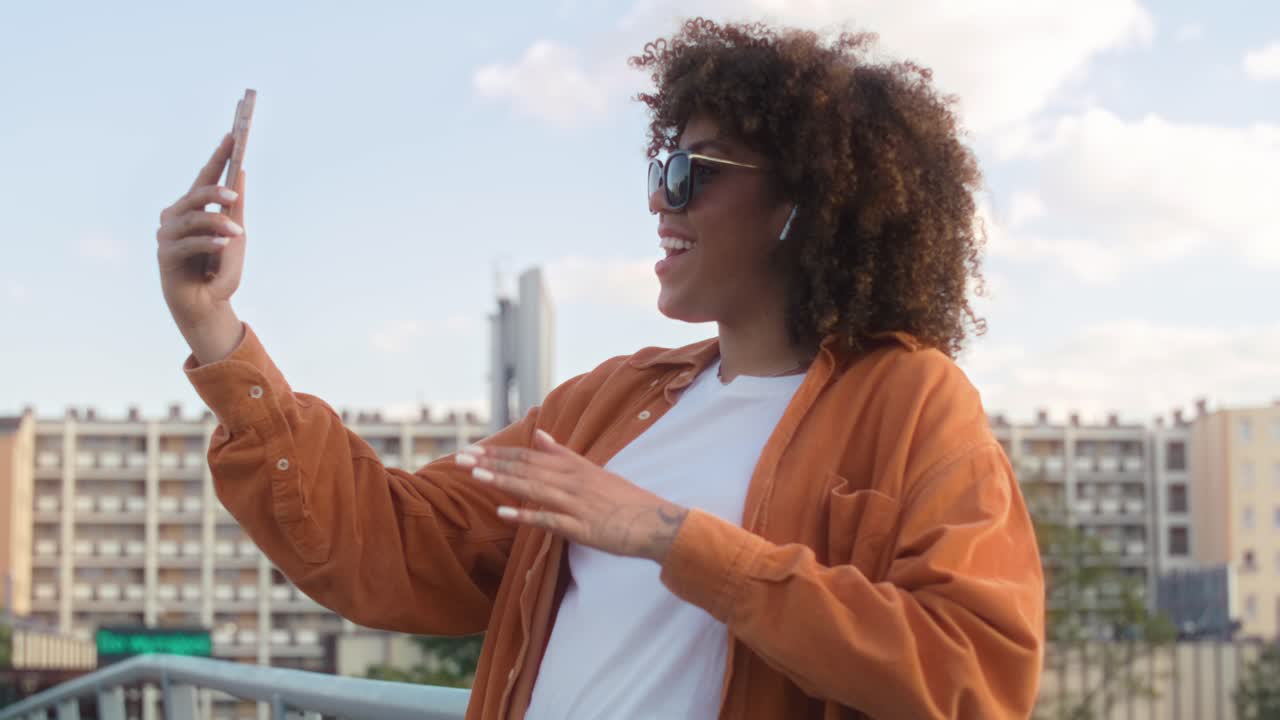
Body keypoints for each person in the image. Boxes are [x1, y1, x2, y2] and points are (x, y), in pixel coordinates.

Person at [156, 17, 1044, 720]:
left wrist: (671, 536)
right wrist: (216, 331)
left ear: (804, 202)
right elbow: (391, 545)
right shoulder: (611, 402)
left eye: (693, 170)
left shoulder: (909, 399)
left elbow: (970, 678)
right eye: (660, 164)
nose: (659, 198)